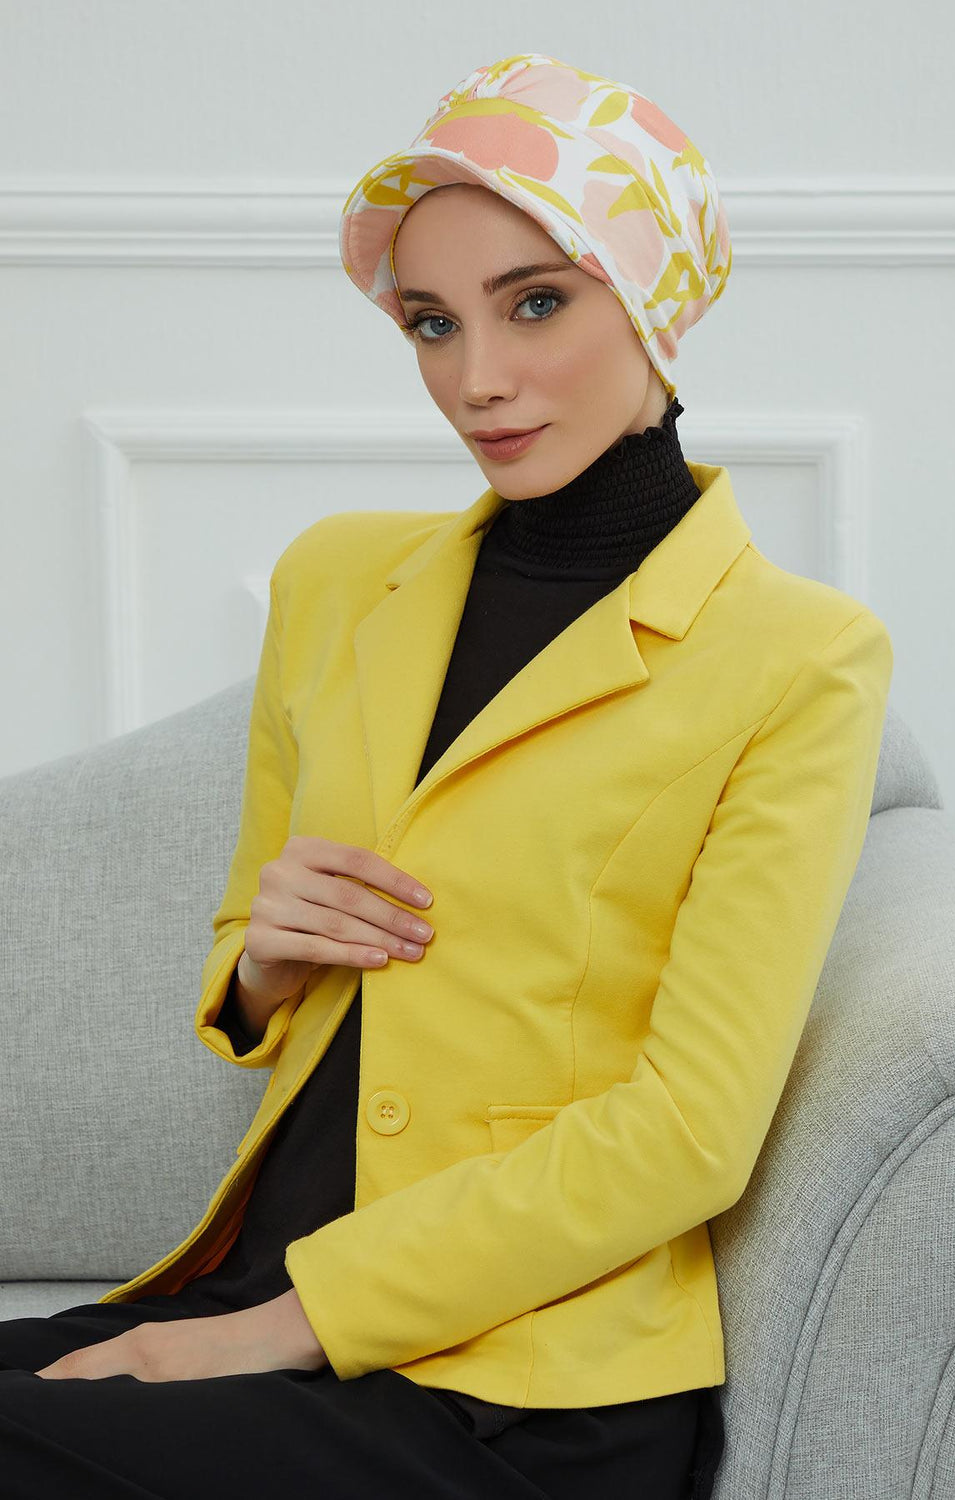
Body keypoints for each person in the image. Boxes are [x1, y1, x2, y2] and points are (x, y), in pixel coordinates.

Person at [0, 53, 891, 1500]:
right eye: (431, 322)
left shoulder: (797, 658)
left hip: (521, 1391)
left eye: (536, 303)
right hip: (257, 1292)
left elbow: (690, 1131)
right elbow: (246, 956)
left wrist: (265, 1335)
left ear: (653, 299)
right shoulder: (336, 580)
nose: (476, 379)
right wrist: (263, 969)